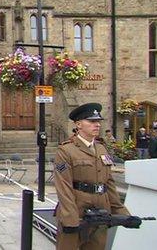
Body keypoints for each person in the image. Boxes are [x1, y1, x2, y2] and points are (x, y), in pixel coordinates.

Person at [54, 103, 130, 250]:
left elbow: (109, 183)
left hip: (100, 211)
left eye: (98, 122)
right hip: (78, 210)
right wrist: (70, 219)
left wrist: (122, 213)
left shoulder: (101, 148)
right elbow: (64, 186)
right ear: (78, 124)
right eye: (92, 121)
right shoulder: (66, 150)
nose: (97, 125)